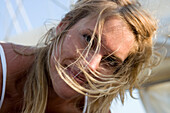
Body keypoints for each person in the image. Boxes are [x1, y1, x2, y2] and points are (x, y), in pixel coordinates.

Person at [0, 0, 157, 113]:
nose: (91, 65)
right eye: (88, 39)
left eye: (110, 60)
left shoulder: (92, 109)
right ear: (63, 25)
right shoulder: (3, 67)